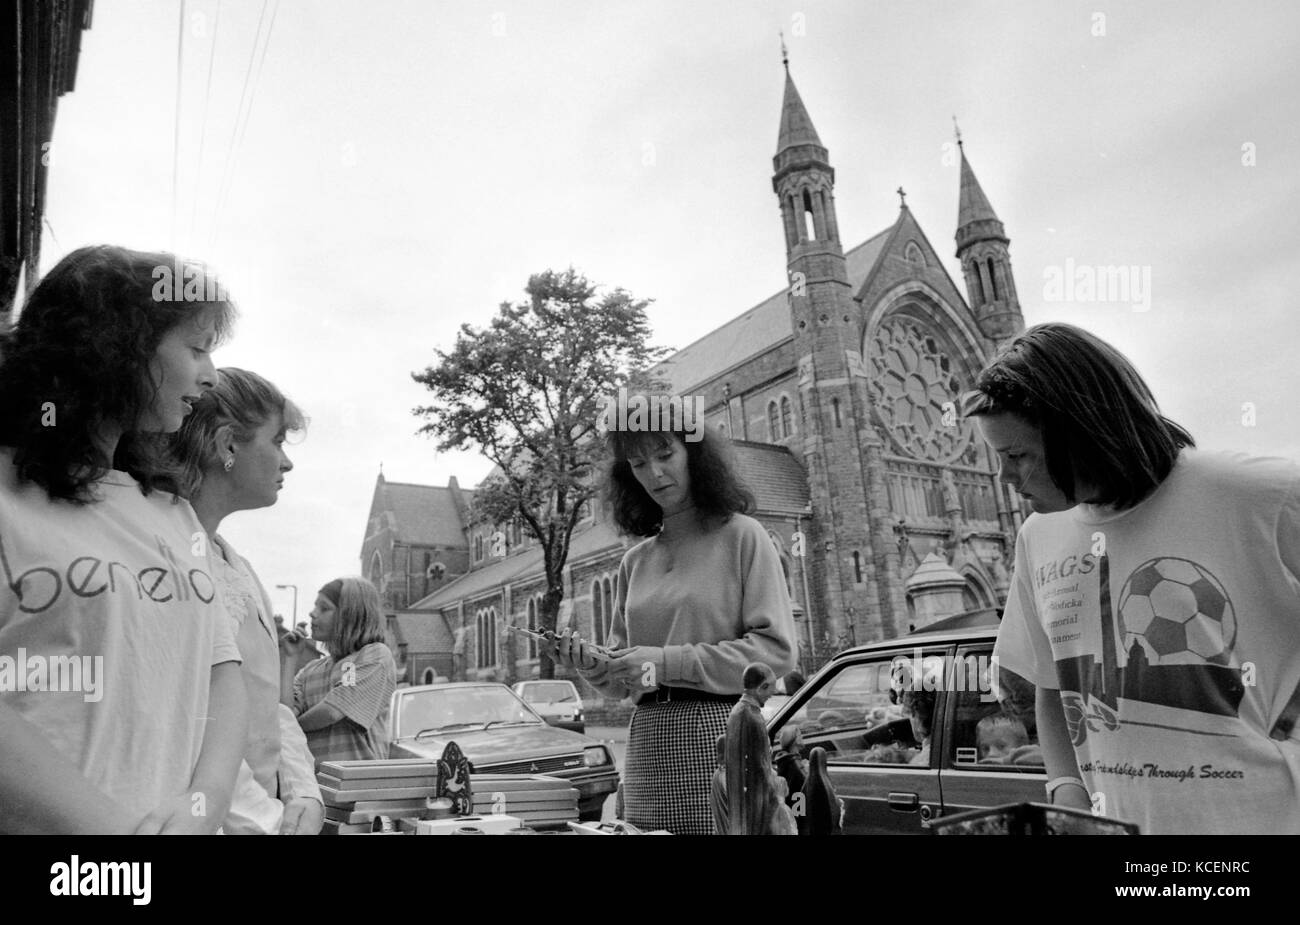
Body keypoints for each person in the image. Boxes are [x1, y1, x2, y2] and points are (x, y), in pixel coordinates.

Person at [964, 322, 1300, 835]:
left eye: (1016, 456)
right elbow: (1053, 691)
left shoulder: (1262, 496)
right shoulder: (1038, 535)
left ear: (1078, 431)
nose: (1005, 478)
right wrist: (1067, 796)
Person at [0, 244, 246, 833]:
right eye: (197, 347)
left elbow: (222, 678)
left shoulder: (172, 515)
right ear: (120, 345)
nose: (210, 377)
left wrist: (202, 807)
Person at [547, 399, 796, 834]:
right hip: (646, 744)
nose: (655, 474)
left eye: (665, 455)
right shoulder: (634, 561)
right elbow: (628, 681)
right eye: (639, 463)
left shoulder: (743, 536)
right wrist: (594, 667)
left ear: (693, 453)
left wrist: (664, 662)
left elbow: (775, 655)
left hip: (719, 739)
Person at [170, 367, 323, 834]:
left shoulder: (238, 566)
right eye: (277, 441)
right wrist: (269, 823)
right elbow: (193, 723)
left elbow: (269, 709)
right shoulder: (167, 559)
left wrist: (305, 794)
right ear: (227, 446)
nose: (286, 462)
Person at [281, 577, 397, 766]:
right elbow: (285, 714)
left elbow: (333, 711)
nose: (312, 613)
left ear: (350, 615)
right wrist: (289, 657)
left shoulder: (372, 656)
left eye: (324, 608)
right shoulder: (310, 670)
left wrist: (293, 729)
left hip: (359, 788)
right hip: (315, 790)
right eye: (315, 606)